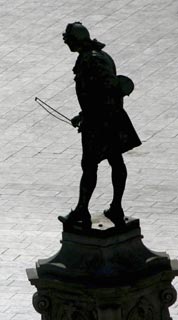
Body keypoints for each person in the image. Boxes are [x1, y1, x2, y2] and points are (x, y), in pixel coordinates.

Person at [58, 22, 142, 229]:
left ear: (75, 41)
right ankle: (115, 207)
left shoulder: (91, 60)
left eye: (68, 40)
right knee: (115, 160)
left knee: (89, 165)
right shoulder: (98, 56)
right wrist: (83, 114)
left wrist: (87, 117)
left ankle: (82, 209)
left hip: (100, 121)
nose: (67, 44)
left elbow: (102, 93)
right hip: (109, 118)